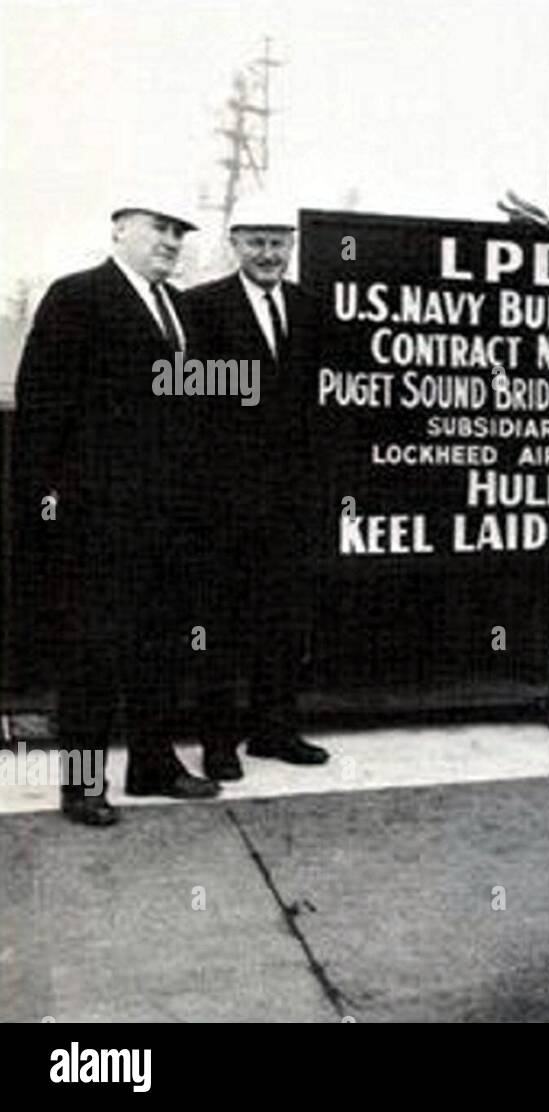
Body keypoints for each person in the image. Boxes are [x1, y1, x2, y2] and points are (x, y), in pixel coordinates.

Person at [14, 195, 222, 825]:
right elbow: (41, 407)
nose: (170, 241)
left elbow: (203, 395)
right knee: (92, 655)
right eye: (158, 228)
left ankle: (153, 764)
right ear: (120, 229)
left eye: (179, 232)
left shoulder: (181, 310)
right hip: (98, 520)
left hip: (171, 520)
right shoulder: (77, 297)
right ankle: (80, 786)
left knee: (161, 647)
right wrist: (46, 504)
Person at [179, 192, 329, 780]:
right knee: (218, 626)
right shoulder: (198, 307)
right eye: (256, 242)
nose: (268, 253)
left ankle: (275, 731)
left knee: (284, 624)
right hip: (223, 504)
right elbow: (187, 389)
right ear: (234, 245)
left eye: (278, 242)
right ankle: (218, 743)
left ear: (291, 246)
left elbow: (319, 397)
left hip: (290, 503)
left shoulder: (308, 308)